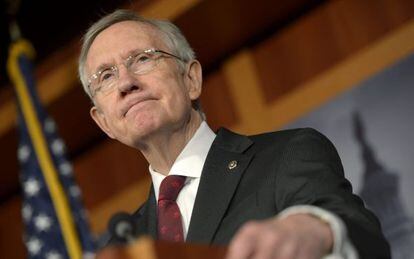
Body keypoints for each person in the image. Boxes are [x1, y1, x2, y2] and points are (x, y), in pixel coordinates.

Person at [78, 9, 390, 259]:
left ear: (191, 80)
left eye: (142, 58)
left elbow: (366, 240)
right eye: (106, 76)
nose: (125, 83)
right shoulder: (123, 244)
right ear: (104, 122)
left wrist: (317, 231)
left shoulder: (288, 154)